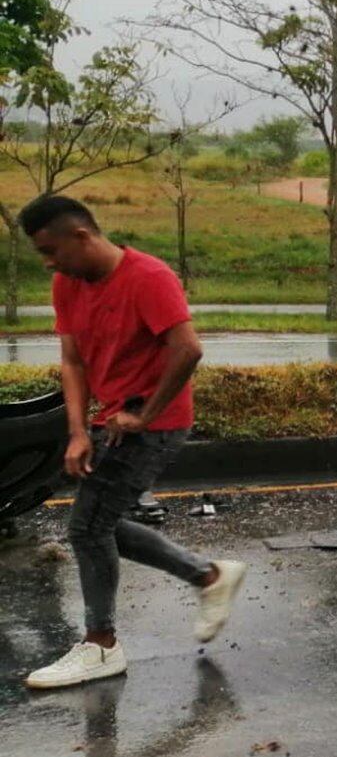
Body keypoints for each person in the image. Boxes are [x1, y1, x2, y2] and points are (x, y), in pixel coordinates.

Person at [22, 195, 247, 690]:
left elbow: (188, 349)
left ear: (81, 236)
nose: (49, 262)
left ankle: (101, 645)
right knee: (103, 525)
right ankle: (209, 577)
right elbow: (74, 361)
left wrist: (145, 414)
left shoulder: (148, 277)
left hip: (155, 424)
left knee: (86, 528)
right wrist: (79, 431)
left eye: (51, 249)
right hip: (109, 422)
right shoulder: (68, 284)